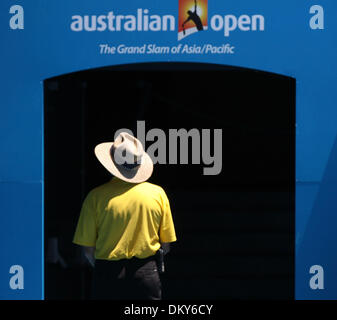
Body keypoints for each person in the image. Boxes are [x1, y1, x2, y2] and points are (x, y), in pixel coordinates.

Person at [73, 132, 177, 300]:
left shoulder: (95, 197)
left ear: (112, 163)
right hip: (147, 274)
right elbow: (166, 246)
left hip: (108, 275)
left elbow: (87, 249)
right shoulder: (158, 194)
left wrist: (103, 268)